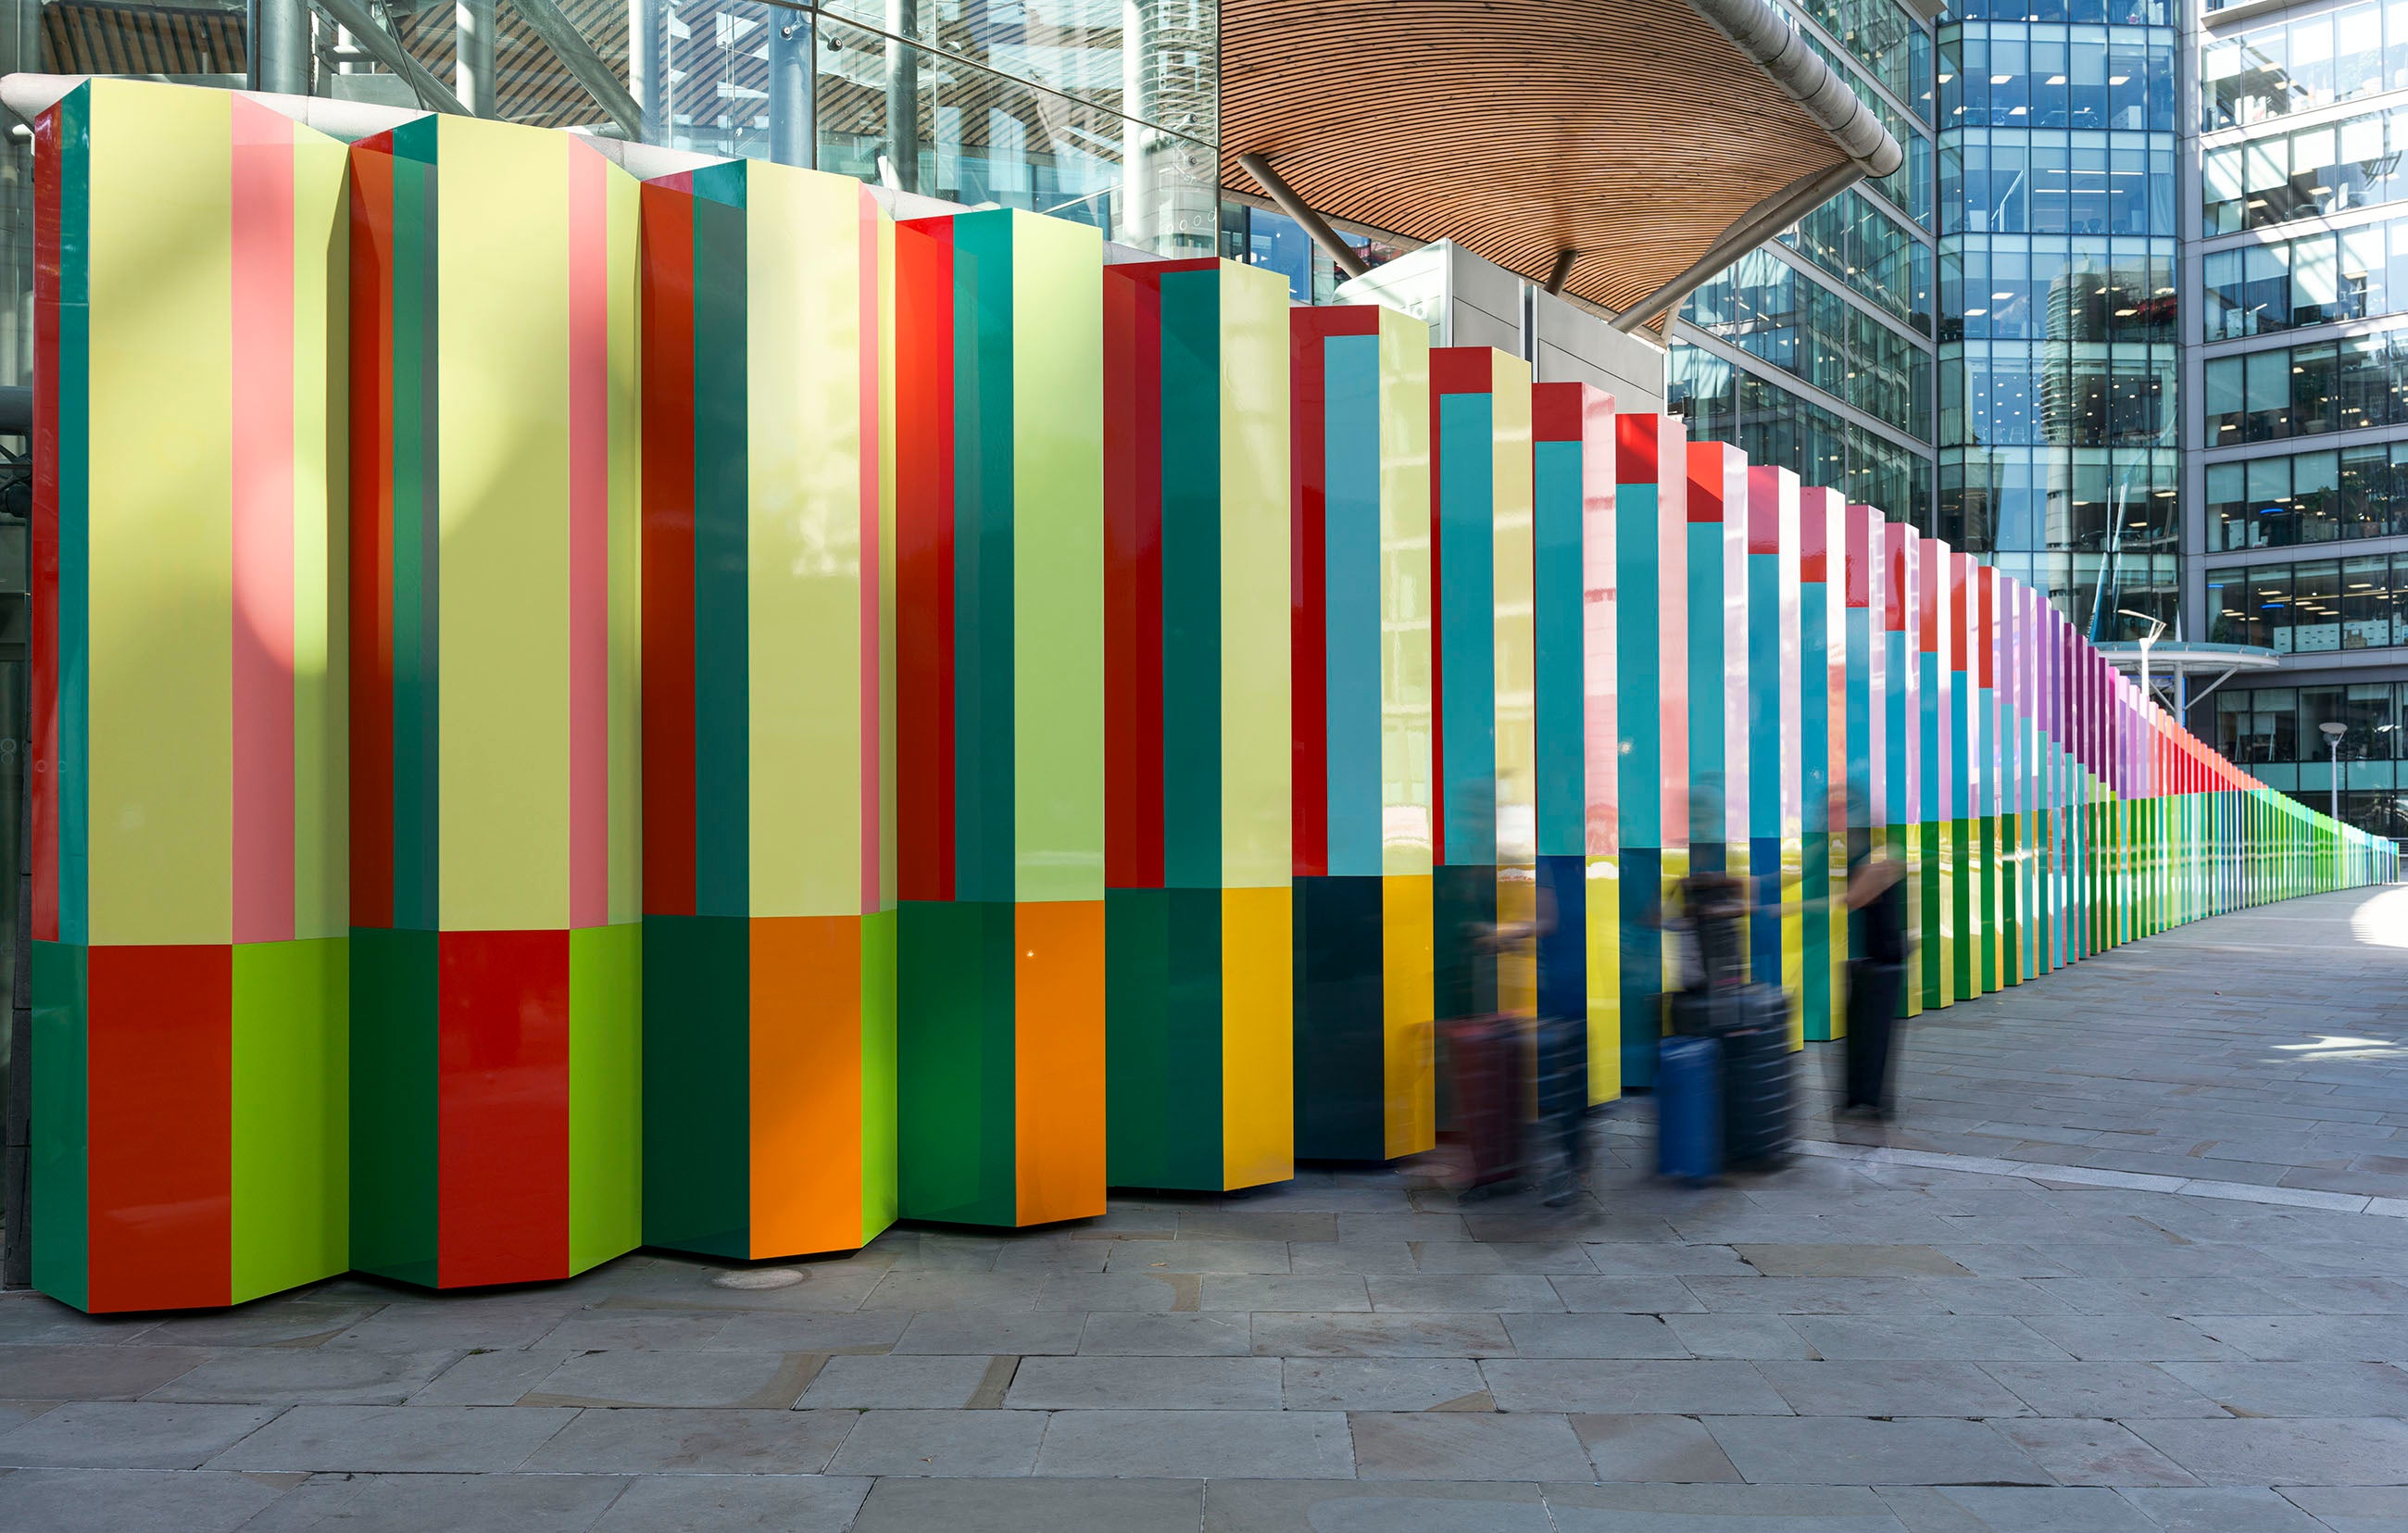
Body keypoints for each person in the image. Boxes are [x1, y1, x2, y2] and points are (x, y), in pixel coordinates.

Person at [1839, 785, 1911, 1118]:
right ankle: (1859, 1098)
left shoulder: (1880, 859)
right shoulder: (1868, 857)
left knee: (1875, 1034)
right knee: (1860, 1032)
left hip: (1885, 962)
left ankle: (1873, 1100)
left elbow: (1854, 898)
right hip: (1869, 961)